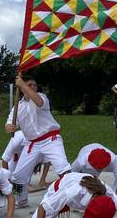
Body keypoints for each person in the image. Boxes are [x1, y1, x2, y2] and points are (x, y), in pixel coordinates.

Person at [6, 74, 71, 208]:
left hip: (51, 139)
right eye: (29, 85)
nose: (33, 87)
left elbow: (39, 103)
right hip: (32, 144)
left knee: (63, 170)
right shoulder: (18, 106)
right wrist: (9, 127)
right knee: (18, 176)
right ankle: (21, 200)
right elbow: (8, 124)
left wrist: (23, 85)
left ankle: (74, 198)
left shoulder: (41, 97)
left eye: (34, 85)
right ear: (22, 87)